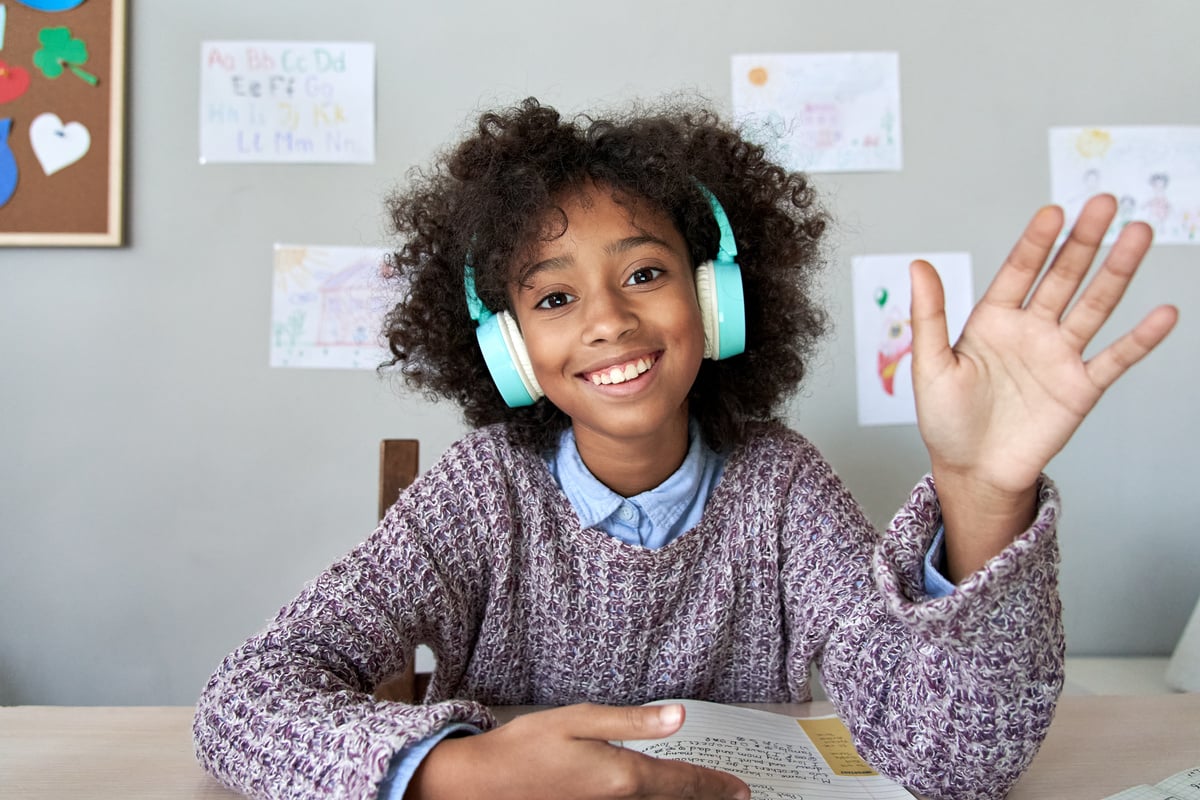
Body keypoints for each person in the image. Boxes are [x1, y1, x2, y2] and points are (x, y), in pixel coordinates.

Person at [193, 97, 1178, 800]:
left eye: (647, 272)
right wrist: (452, 767)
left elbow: (957, 762)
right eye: (552, 297)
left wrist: (979, 495)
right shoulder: (477, 494)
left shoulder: (780, 487)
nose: (610, 320)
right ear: (507, 349)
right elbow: (242, 698)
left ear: (717, 303)